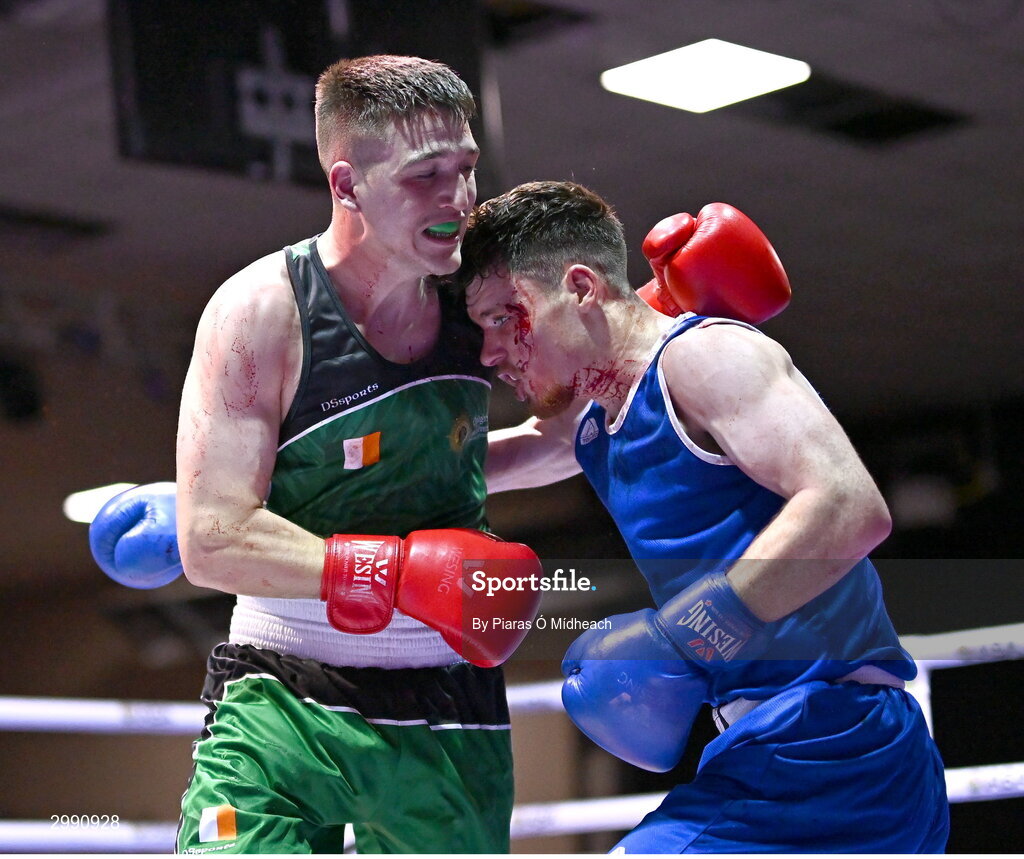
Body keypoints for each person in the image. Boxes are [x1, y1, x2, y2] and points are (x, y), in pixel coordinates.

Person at [96, 55, 554, 854]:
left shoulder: (480, 297)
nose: (458, 199)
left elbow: (582, 418)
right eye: (425, 176)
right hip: (281, 693)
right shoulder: (262, 314)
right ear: (346, 187)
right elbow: (214, 539)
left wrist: (664, 326)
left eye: (466, 168)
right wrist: (400, 572)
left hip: (445, 704)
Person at [457, 180, 951, 853]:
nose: (489, 351)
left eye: (500, 317)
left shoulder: (705, 357)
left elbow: (850, 507)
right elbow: (524, 453)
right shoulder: (603, 417)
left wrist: (686, 633)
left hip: (836, 743)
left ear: (579, 287)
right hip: (779, 746)